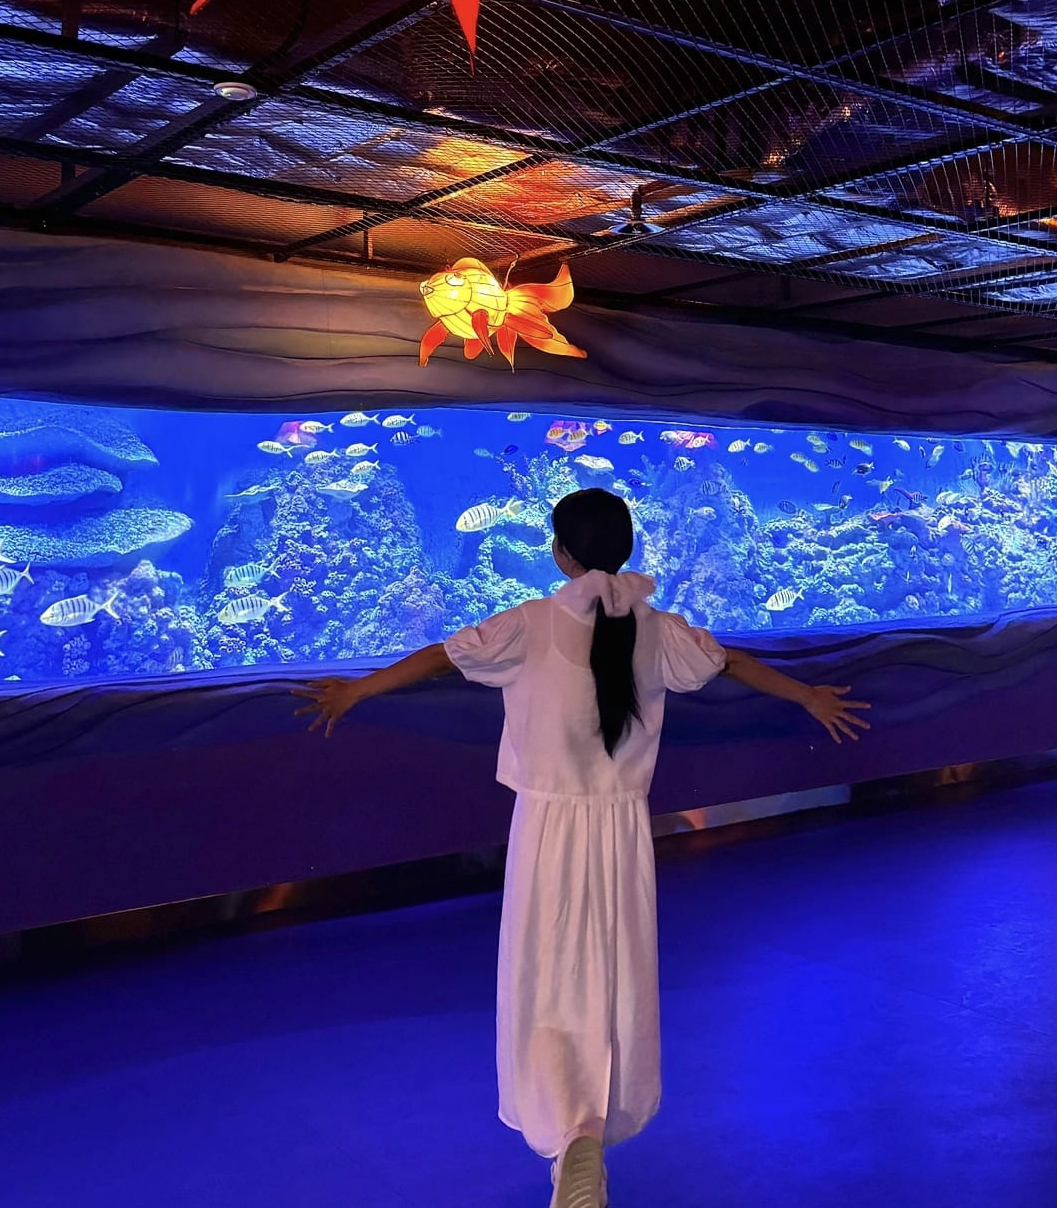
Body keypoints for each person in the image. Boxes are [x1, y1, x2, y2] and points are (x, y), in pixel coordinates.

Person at [294, 486, 869, 1208]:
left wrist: (356, 691)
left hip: (546, 828)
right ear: (624, 548)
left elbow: (443, 656)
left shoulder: (532, 622)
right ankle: (594, 1121)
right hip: (622, 829)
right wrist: (808, 696)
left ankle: (569, 1131)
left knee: (546, 971)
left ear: (559, 553)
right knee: (612, 967)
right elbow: (729, 662)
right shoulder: (655, 628)